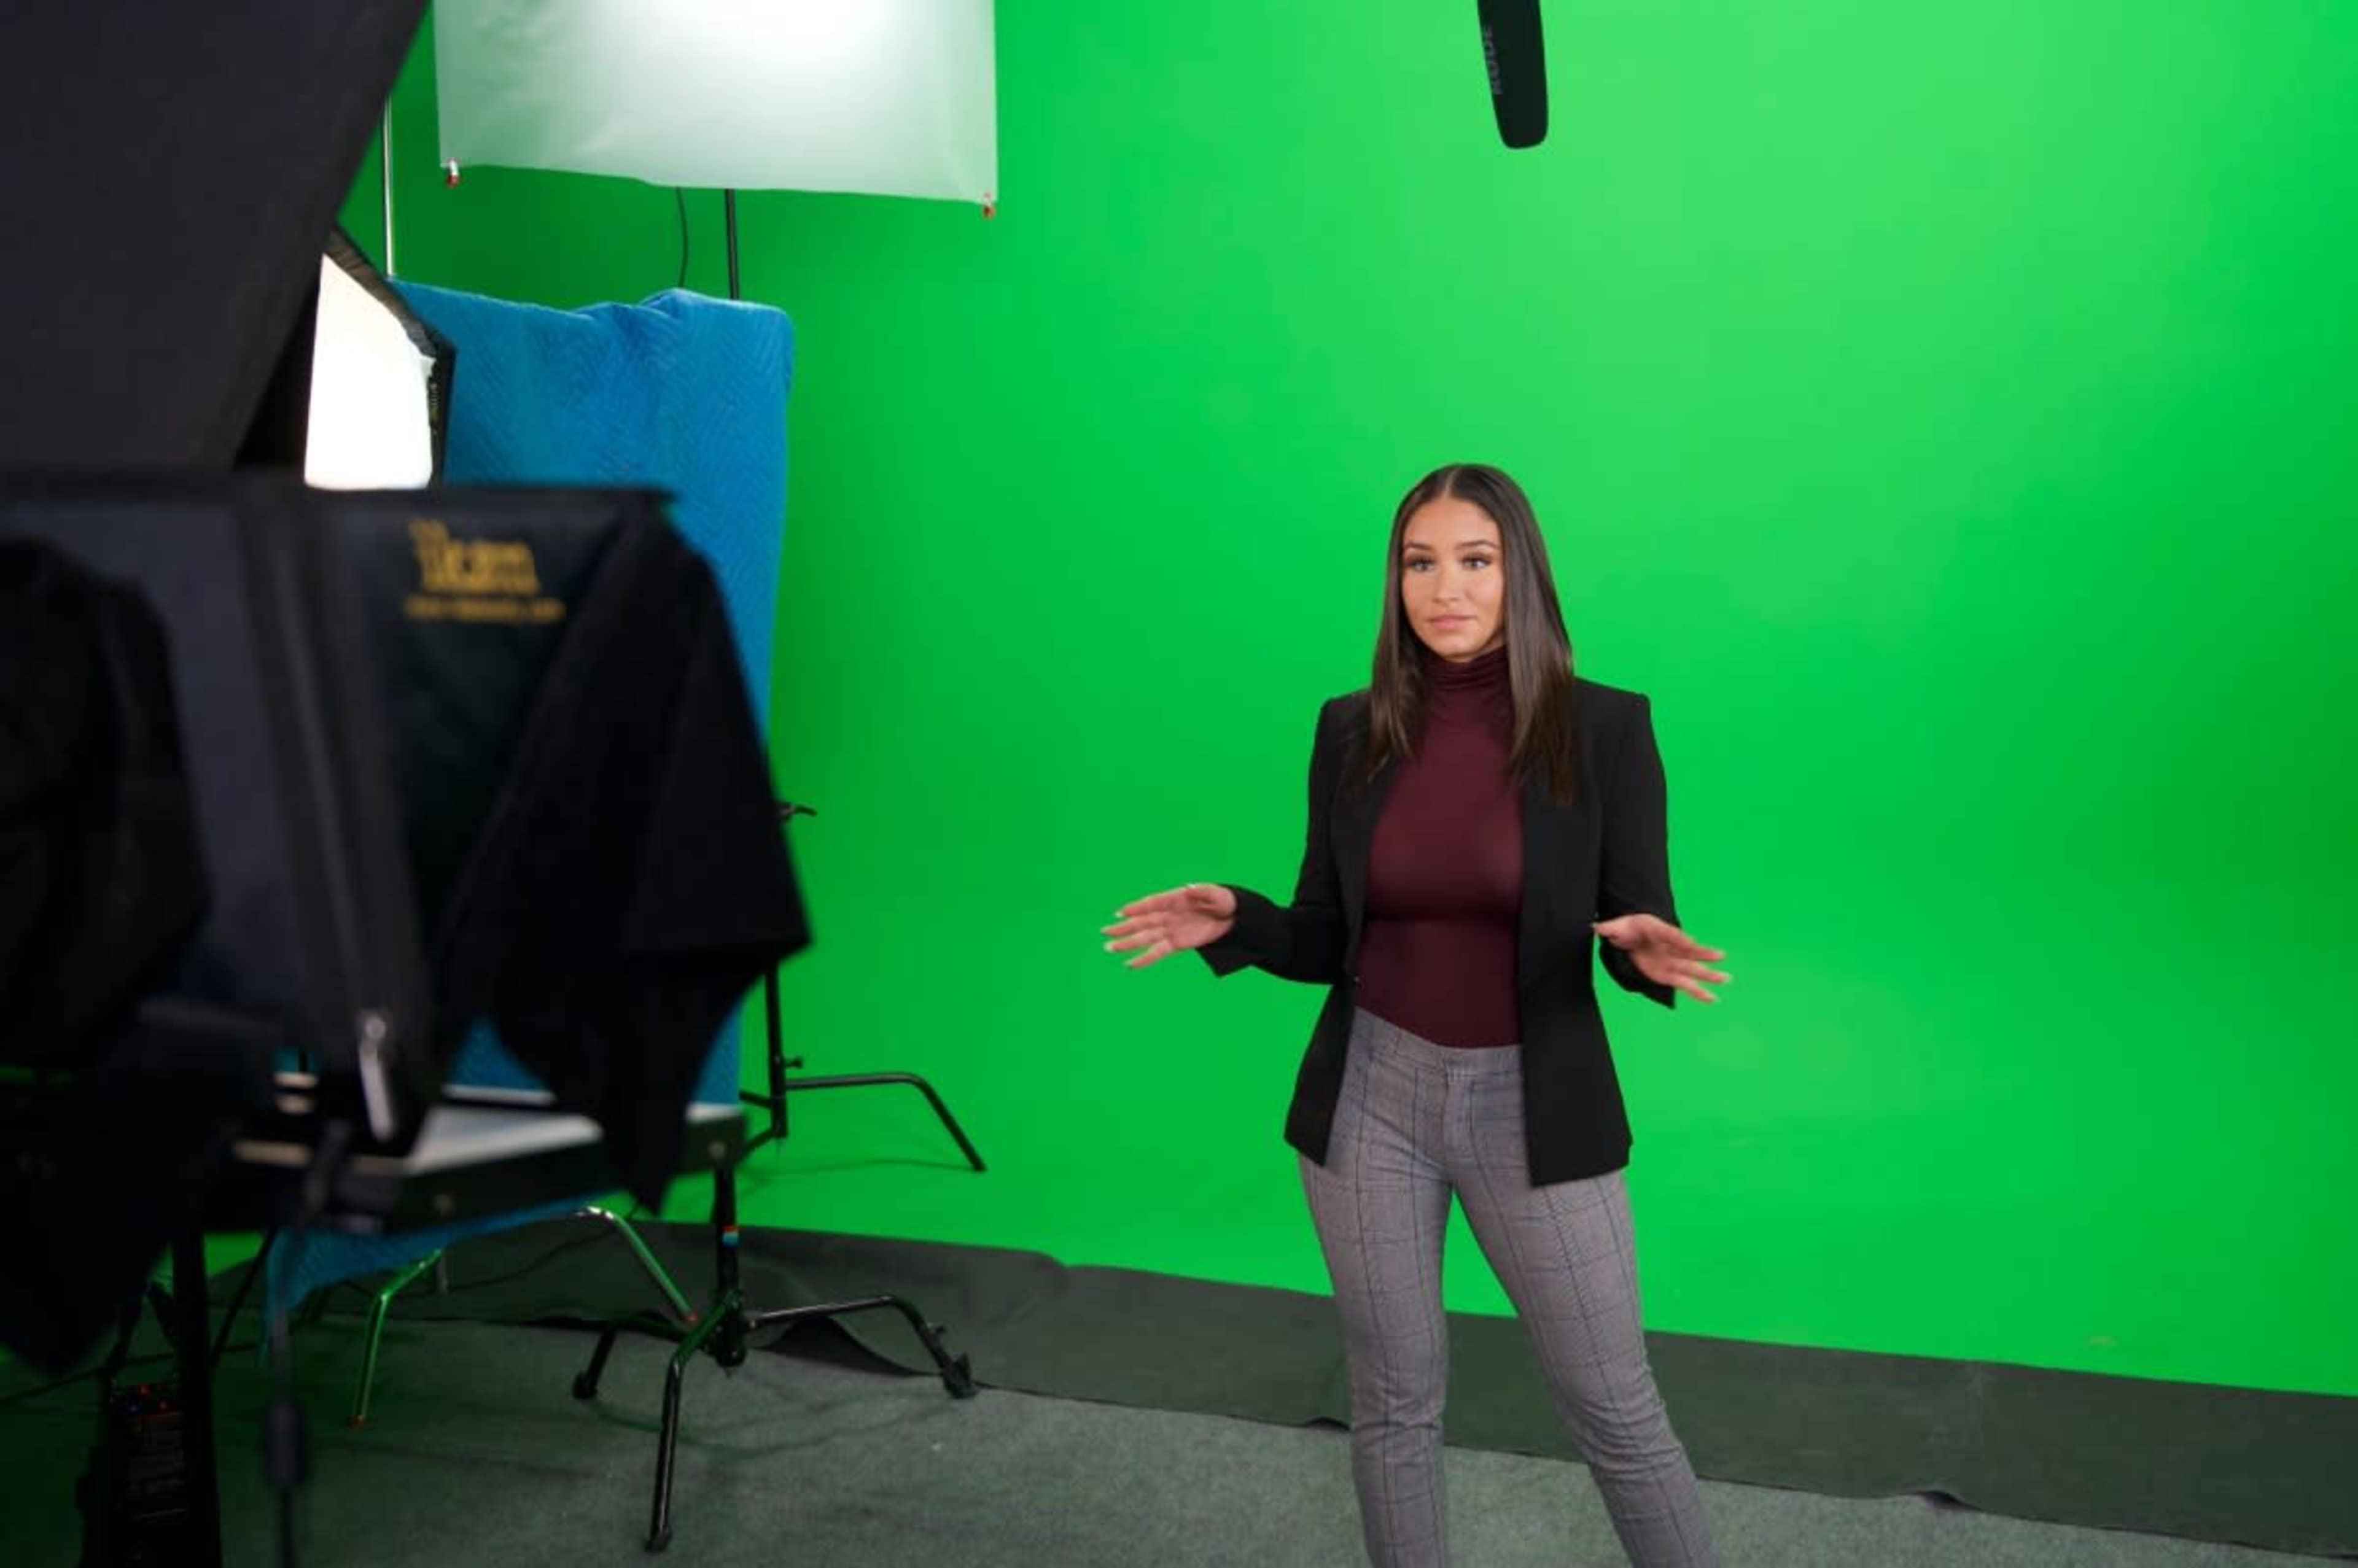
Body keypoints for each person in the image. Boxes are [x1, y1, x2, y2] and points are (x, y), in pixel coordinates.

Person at [1104, 463, 1725, 1567]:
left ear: (1521, 574)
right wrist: (1241, 918)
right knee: (1393, 1404)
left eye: (1475, 560)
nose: (1446, 588)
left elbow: (1637, 924)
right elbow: (1327, 936)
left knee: (1615, 1408)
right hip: (1370, 1103)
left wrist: (1644, 951)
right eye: (1419, 563)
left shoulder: (1606, 729)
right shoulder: (1352, 729)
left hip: (1534, 1108)